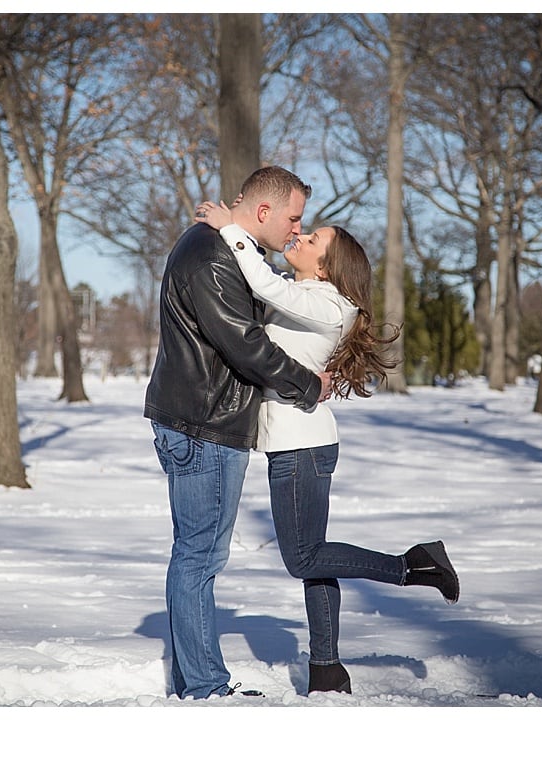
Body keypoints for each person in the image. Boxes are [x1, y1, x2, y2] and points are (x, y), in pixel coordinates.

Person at [196, 199, 460, 695]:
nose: (301, 237)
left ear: (326, 266)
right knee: (316, 559)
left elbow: (264, 283)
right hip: (299, 443)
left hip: (302, 447)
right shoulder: (308, 295)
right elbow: (266, 286)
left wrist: (230, 228)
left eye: (313, 239)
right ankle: (326, 668)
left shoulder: (328, 304)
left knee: (303, 557)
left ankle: (412, 565)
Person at [146, 166, 331, 700]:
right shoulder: (211, 257)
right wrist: (308, 385)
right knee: (200, 556)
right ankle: (206, 688)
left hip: (199, 419)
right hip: (205, 423)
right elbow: (246, 345)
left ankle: (193, 682)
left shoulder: (222, 248)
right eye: (294, 218)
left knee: (195, 552)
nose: (298, 230)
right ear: (265, 211)